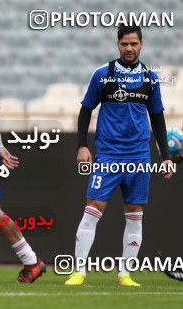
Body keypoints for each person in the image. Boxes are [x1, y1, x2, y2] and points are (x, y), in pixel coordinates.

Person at [65, 25, 175, 287]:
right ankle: (78, 271)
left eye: (134, 44)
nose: (129, 48)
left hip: (139, 156)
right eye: (124, 44)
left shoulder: (150, 78)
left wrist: (166, 156)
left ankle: (125, 274)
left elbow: (157, 118)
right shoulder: (103, 75)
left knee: (135, 212)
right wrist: (82, 145)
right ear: (118, 45)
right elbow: (85, 110)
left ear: (141, 44)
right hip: (108, 155)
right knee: (93, 208)